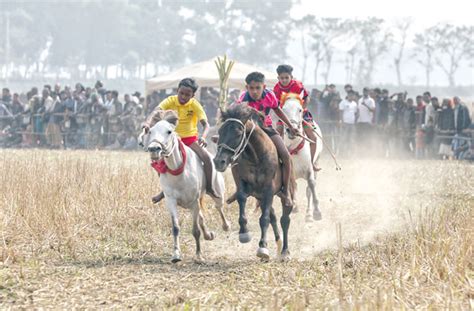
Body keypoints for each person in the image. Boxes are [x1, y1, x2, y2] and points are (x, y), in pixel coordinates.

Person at [142, 78, 219, 203]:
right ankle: (164, 190)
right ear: (177, 91)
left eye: (187, 95)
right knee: (158, 161)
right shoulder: (170, 100)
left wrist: (203, 137)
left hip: (189, 139)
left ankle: (209, 187)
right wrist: (147, 122)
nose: (183, 97)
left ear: (193, 95)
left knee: (207, 158)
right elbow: (155, 111)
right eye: (181, 93)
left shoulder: (194, 105)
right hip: (172, 140)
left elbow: (206, 125)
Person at [229, 71, 298, 207]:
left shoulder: (270, 95)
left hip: (266, 129)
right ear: (246, 87)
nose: (254, 91)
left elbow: (278, 111)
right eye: (251, 88)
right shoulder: (243, 99)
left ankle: (286, 190)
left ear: (264, 86)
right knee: (234, 158)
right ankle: (239, 189)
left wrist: (290, 126)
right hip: (248, 133)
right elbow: (236, 118)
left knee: (285, 155)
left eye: (258, 88)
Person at [273, 64, 320, 171]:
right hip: (285, 117)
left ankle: (312, 163)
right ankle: (278, 162)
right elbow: (276, 105)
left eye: (286, 77)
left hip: (300, 114)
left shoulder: (297, 86)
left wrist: (301, 111)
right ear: (278, 78)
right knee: (277, 135)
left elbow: (307, 98)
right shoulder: (276, 89)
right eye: (282, 78)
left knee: (313, 137)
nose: (284, 80)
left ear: (291, 77)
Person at [338, 90, 358, 155]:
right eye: (350, 95)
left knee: (351, 139)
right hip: (345, 123)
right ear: (348, 95)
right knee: (343, 138)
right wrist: (342, 121)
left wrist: (355, 122)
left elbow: (355, 113)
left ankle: (350, 153)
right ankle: (342, 153)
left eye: (353, 95)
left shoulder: (354, 104)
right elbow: (340, 112)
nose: (351, 96)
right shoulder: (343, 102)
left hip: (352, 124)